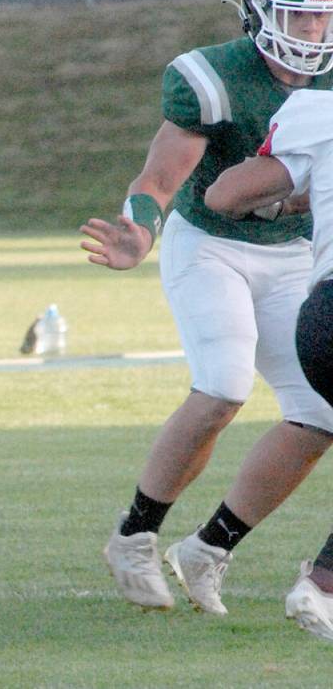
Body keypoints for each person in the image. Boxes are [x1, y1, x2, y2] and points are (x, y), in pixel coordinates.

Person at [82, 0, 333, 615]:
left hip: (292, 254)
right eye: (297, 13)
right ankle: (135, 535)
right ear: (256, 11)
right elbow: (163, 173)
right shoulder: (212, 73)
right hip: (213, 244)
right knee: (222, 386)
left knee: (319, 411)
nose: (312, 28)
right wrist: (139, 226)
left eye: (322, 13)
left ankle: (211, 546)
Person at [205, 87, 333, 642]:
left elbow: (227, 194)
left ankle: (318, 583)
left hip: (323, 316)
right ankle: (322, 586)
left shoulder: (321, 110)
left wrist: (291, 198)